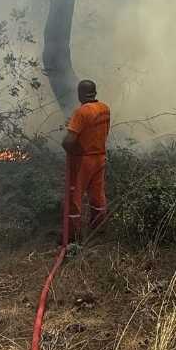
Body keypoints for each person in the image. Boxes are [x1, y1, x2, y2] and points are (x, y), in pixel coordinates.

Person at [61, 79, 111, 240]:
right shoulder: (105, 109)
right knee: (97, 194)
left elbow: (68, 142)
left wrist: (72, 148)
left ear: (80, 94)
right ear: (95, 92)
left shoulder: (81, 112)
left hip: (83, 161)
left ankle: (72, 236)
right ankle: (99, 230)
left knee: (74, 197)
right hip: (100, 157)